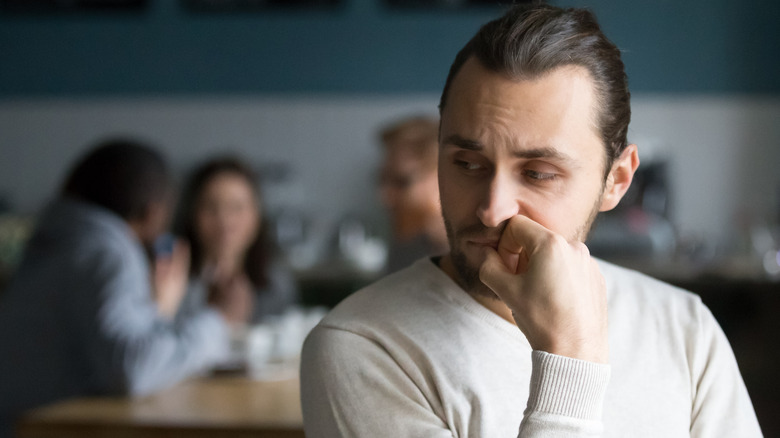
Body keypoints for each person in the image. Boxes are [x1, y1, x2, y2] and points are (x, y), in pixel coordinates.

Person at [301, 4, 762, 437]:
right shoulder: (362, 347)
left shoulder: (684, 329)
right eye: (467, 164)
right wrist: (570, 358)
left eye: (539, 173)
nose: (492, 208)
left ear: (616, 181)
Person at [0, 139, 246, 436]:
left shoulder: (59, 240)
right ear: (153, 212)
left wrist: (158, 310)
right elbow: (133, 370)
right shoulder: (107, 252)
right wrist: (218, 318)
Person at [174, 156, 298, 326]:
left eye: (236, 207)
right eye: (211, 207)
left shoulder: (276, 283)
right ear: (192, 214)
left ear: (257, 216)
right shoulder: (172, 281)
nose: (224, 220)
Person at [378, 115, 449, 273]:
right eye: (382, 181)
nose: (385, 198)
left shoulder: (479, 260)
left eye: (402, 182)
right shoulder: (405, 249)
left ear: (444, 180)